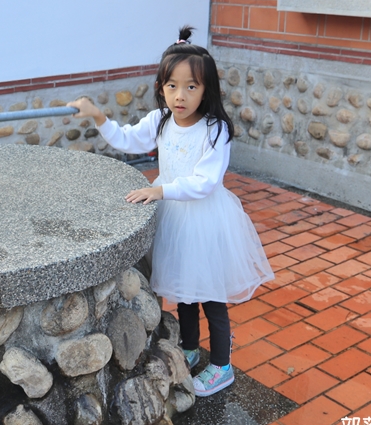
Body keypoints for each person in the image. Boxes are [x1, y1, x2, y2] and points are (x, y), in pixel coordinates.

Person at [69, 26, 274, 397]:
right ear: (161, 87)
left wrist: (159, 189)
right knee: (185, 290)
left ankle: (222, 366)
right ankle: (192, 348)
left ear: (206, 90)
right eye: (172, 86)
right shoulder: (160, 120)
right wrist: (99, 117)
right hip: (176, 219)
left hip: (206, 219)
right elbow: (128, 138)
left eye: (191, 87)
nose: (180, 96)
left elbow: (205, 182)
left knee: (211, 297)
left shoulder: (215, 130)